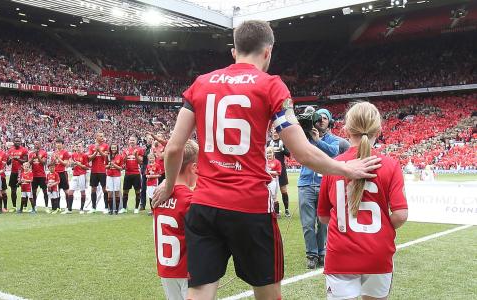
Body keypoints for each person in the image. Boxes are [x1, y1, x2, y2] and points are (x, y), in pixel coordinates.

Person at [152, 20, 380, 300]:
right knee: (268, 293)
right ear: (268, 52)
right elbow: (302, 151)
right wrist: (346, 167)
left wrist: (169, 185)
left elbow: (174, 148)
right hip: (250, 208)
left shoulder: (201, 83)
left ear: (233, 52)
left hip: (205, 206)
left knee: (199, 293)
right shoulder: (271, 86)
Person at [318, 101, 408, 300]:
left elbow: (324, 217)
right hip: (378, 253)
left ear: (347, 129)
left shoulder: (333, 166)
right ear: (378, 129)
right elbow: (401, 214)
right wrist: (383, 226)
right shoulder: (391, 165)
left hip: (340, 253)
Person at [154, 140, 198, 300]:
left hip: (166, 268)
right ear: (193, 167)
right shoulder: (190, 200)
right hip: (187, 270)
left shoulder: (158, 195)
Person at [298, 107, 341, 269]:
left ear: (329, 121)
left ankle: (321, 252)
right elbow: (295, 150)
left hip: (324, 184)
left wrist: (317, 141)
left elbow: (333, 152)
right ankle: (312, 254)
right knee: (308, 223)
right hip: (306, 184)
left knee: (323, 222)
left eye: (325, 117)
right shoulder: (304, 137)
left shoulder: (333, 140)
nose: (321, 120)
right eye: (319, 117)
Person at [267, 129, 291, 217]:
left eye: (277, 130)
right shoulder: (268, 143)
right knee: (271, 191)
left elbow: (288, 154)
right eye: (274, 130)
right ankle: (274, 211)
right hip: (270, 170)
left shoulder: (282, 142)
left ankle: (287, 210)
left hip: (281, 169)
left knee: (283, 190)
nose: (275, 132)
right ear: (271, 132)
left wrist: (283, 149)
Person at [88, 132, 109, 214]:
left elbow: (106, 157)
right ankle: (93, 207)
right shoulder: (91, 147)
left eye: (103, 136)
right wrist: (95, 152)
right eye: (100, 136)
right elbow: (89, 159)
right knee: (93, 189)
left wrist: (99, 150)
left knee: (105, 189)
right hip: (94, 171)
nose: (102, 137)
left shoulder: (106, 146)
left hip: (103, 171)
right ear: (96, 137)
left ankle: (106, 207)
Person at [122, 136, 145, 214]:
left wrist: (135, 155)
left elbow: (141, 162)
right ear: (128, 141)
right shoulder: (125, 150)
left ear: (136, 141)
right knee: (125, 191)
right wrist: (126, 155)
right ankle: (124, 208)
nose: (132, 141)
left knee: (137, 191)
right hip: (127, 173)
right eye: (130, 140)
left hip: (136, 173)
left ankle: (136, 208)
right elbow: (123, 161)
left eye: (133, 140)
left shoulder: (140, 150)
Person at [8, 137, 29, 212]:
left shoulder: (24, 149)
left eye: (19, 141)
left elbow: (26, 160)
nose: (17, 142)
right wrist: (9, 160)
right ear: (13, 142)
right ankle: (14, 207)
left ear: (21, 142)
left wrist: (18, 159)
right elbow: (8, 163)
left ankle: (25, 207)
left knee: (25, 190)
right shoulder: (10, 150)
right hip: (13, 172)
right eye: (16, 141)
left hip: (23, 172)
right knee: (13, 190)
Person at [54, 138, 74, 214]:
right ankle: (58, 207)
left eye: (59, 143)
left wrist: (58, 158)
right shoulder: (55, 152)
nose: (58, 144)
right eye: (57, 143)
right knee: (57, 191)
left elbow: (66, 164)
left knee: (66, 191)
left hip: (62, 173)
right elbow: (54, 162)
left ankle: (68, 207)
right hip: (55, 173)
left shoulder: (65, 152)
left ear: (62, 144)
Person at [29, 141, 49, 212]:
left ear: (40, 145)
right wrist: (33, 157)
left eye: (37, 144)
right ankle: (34, 207)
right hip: (34, 175)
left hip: (42, 175)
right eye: (34, 144)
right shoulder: (31, 153)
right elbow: (29, 163)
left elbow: (43, 163)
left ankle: (46, 207)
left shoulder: (43, 152)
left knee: (45, 191)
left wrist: (37, 156)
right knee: (34, 192)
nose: (35, 145)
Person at [71, 141, 90, 214]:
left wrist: (80, 165)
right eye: (77, 146)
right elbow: (71, 166)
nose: (78, 148)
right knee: (70, 191)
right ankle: (69, 209)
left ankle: (81, 209)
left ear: (82, 147)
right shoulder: (73, 155)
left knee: (82, 192)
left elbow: (87, 167)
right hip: (75, 175)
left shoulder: (85, 155)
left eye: (79, 146)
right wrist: (73, 165)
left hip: (82, 175)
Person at [106, 144, 123, 214]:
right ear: (110, 148)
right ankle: (110, 210)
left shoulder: (120, 156)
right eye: (112, 148)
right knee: (109, 193)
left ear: (117, 149)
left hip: (117, 176)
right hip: (109, 176)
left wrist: (114, 165)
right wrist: (109, 165)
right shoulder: (107, 156)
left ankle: (116, 210)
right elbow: (105, 166)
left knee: (116, 192)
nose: (113, 149)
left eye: (115, 148)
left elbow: (121, 168)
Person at [266, 147, 282, 218]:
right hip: (265, 181)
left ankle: (276, 213)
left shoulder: (277, 162)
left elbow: (278, 172)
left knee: (273, 196)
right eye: (267, 153)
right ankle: (268, 211)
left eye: (270, 153)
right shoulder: (264, 161)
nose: (269, 154)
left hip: (273, 181)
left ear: (273, 153)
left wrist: (269, 172)